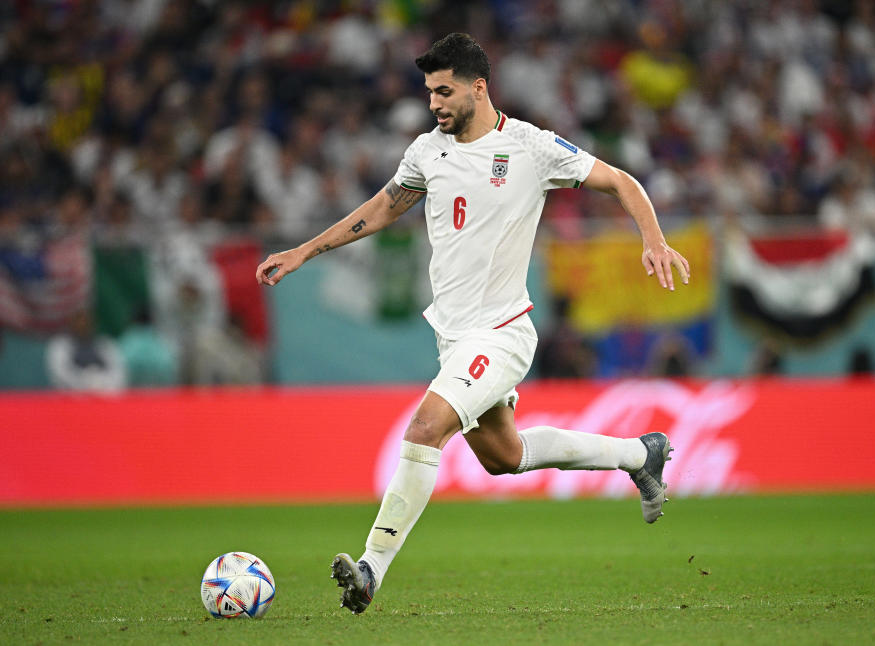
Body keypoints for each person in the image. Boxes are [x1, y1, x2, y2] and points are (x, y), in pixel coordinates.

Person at [255, 33, 690, 614]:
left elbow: (620, 181)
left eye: (444, 91)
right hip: (453, 337)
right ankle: (642, 455)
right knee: (504, 456)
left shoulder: (532, 147)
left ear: (477, 87)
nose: (434, 103)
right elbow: (383, 207)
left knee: (425, 427)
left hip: (503, 332)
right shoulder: (426, 151)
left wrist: (653, 239)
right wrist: (304, 251)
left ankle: (370, 569)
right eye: (429, 92)